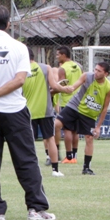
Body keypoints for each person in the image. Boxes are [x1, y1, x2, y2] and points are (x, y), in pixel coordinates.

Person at [0, 4, 55, 220]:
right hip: (15, 112)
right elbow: (19, 80)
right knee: (26, 160)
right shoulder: (19, 47)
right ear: (8, 24)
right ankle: (36, 209)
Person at [22, 47, 74, 177]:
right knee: (50, 139)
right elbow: (55, 86)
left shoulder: (20, 71)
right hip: (45, 111)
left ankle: (30, 170)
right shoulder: (46, 68)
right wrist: (65, 89)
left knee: (28, 142)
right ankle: (55, 170)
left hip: (28, 112)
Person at [55, 62, 110, 175]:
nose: (96, 72)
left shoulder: (109, 88)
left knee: (89, 138)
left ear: (106, 74)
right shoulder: (87, 76)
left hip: (89, 114)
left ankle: (86, 168)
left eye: (99, 71)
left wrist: (98, 126)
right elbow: (74, 86)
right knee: (56, 125)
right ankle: (55, 154)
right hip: (74, 106)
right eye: (95, 69)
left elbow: (105, 108)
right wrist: (66, 88)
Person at [54, 46, 83, 164]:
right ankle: (74, 156)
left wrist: (53, 89)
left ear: (63, 55)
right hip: (79, 101)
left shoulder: (62, 68)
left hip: (68, 102)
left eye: (58, 55)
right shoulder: (78, 66)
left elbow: (62, 84)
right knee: (75, 131)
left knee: (67, 130)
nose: (57, 57)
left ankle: (69, 157)